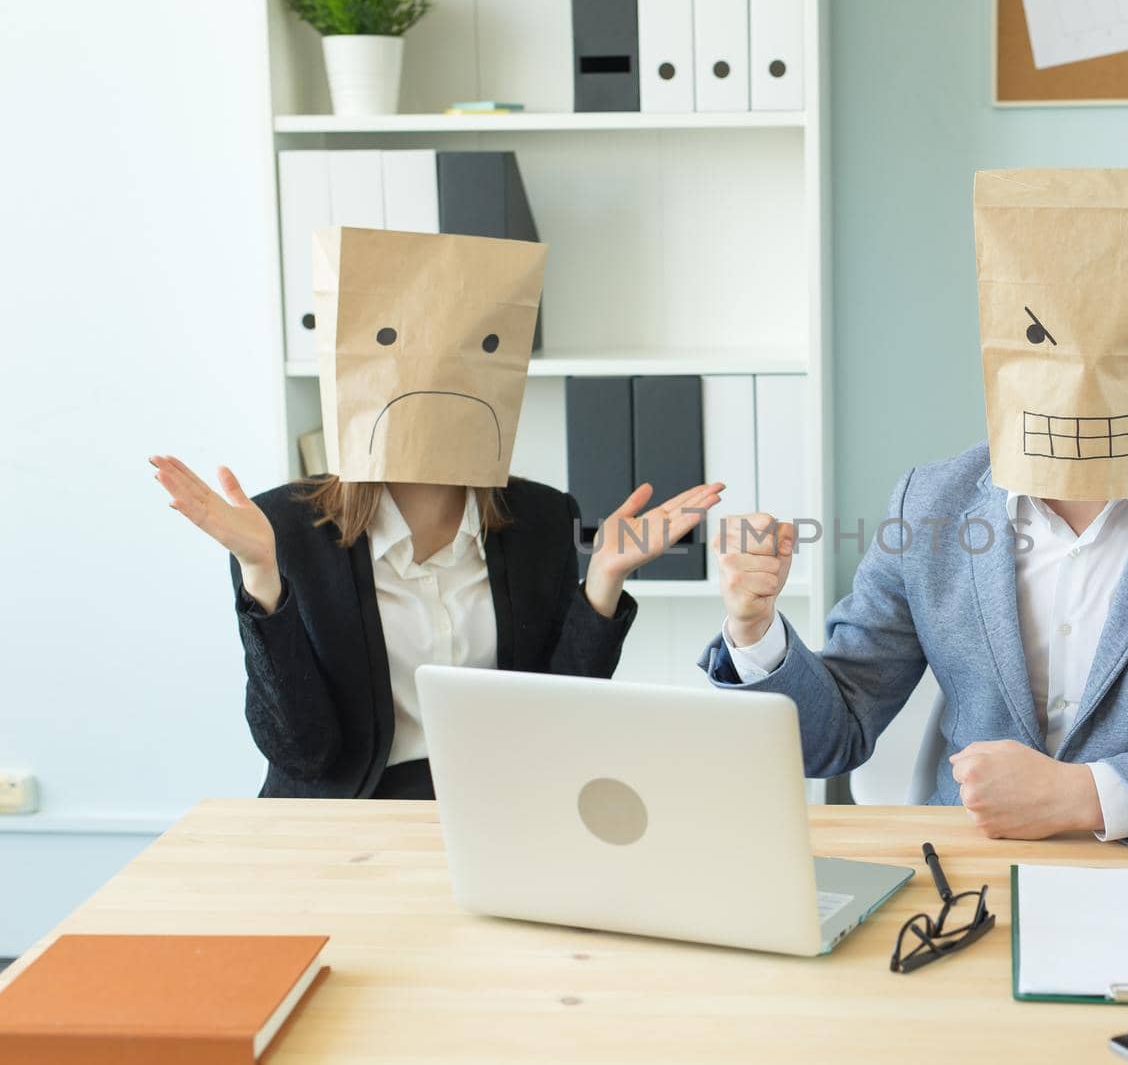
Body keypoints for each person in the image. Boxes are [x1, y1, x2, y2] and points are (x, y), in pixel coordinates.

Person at [701, 169, 1128, 855]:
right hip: (965, 878)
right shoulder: (928, 506)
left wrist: (1083, 795)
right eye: (1046, 339)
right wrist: (755, 629)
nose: (1088, 377)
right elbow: (831, 736)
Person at [153, 227, 722, 799]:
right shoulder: (281, 530)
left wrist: (601, 581)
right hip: (346, 821)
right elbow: (303, 753)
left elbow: (557, 725)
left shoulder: (542, 518)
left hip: (498, 805)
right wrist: (262, 581)